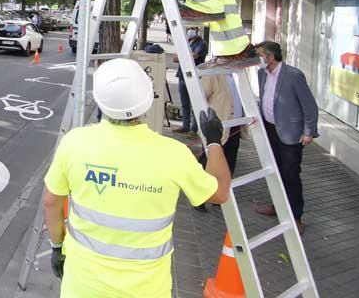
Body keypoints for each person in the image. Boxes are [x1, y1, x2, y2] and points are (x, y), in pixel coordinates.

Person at [42, 58, 232, 297]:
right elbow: (220, 193)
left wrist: (57, 247)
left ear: (100, 101)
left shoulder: (74, 142)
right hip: (147, 290)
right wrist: (214, 141)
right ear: (146, 100)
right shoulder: (173, 154)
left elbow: (51, 202)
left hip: (81, 287)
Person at [254, 41, 318, 233]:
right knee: (274, 171)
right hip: (269, 130)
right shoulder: (261, 74)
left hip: (290, 135)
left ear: (270, 57)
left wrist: (309, 132)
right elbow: (265, 98)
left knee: (290, 175)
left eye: (260, 55)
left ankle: (296, 216)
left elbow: (309, 106)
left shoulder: (293, 75)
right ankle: (277, 207)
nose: (257, 60)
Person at [174, 27, 208, 134]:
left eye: (193, 29)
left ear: (198, 31)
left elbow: (195, 55)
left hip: (194, 78)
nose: (190, 31)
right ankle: (185, 126)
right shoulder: (185, 42)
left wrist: (182, 56)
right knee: (184, 104)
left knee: (195, 104)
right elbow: (175, 58)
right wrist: (185, 56)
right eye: (189, 28)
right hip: (182, 76)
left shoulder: (202, 44)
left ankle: (194, 129)